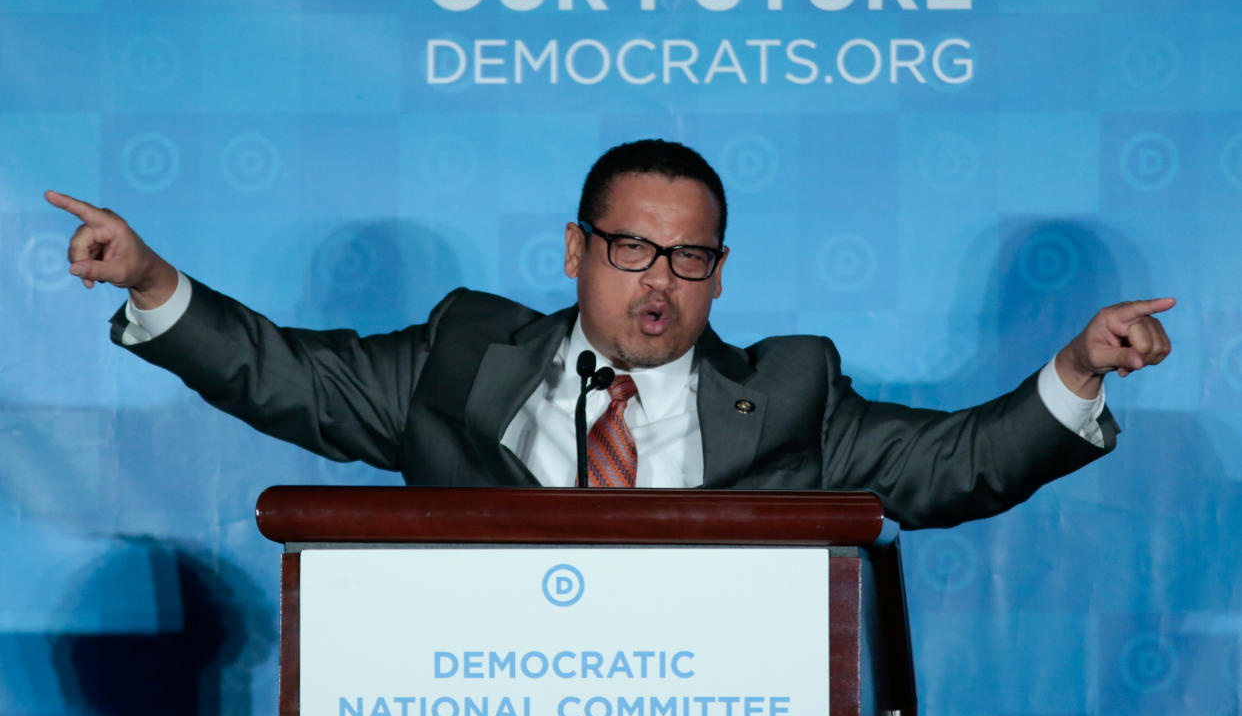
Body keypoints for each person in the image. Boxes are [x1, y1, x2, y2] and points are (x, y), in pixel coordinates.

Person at [45, 139, 1173, 528]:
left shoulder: (790, 392)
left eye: (689, 260)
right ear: (576, 251)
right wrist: (150, 279)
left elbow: (955, 468)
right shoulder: (460, 357)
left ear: (719, 276)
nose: (659, 284)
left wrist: (1076, 371)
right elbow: (286, 378)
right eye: (632, 249)